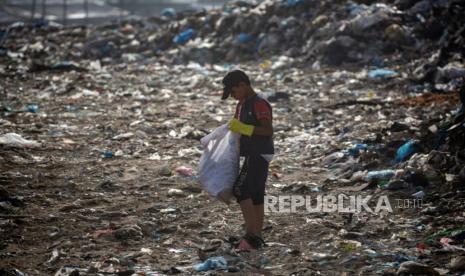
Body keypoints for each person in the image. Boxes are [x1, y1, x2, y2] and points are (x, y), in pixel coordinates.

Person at [221, 70, 274, 251]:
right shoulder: (242, 104)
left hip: (259, 152)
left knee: (240, 189)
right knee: (256, 193)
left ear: (242, 85)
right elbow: (236, 128)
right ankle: (257, 236)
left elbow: (268, 131)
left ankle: (251, 235)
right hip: (252, 152)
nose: (233, 97)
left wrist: (245, 128)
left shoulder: (259, 103)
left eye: (234, 92)